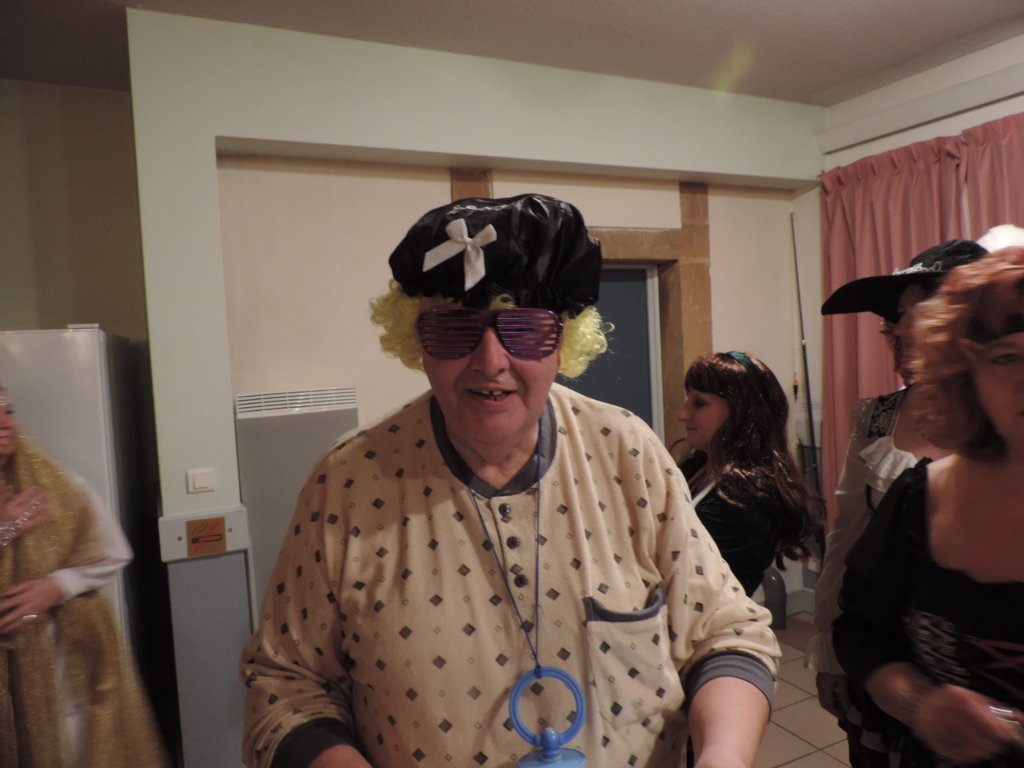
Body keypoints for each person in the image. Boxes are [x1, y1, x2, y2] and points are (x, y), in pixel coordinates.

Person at [241, 193, 780, 768]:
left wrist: (723, 757)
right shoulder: (346, 483)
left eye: (525, 332)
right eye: (455, 331)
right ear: (416, 343)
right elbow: (285, 686)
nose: (491, 361)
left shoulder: (627, 451)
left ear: (564, 344)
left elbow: (727, 631)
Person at [810, 229, 1024, 767]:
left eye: (917, 310)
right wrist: (920, 704)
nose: (902, 328)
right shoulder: (919, 495)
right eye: (1005, 357)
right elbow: (852, 570)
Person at [0, 386, 170, 767]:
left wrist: (55, 587)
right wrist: (4, 530)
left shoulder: (54, 487)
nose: (6, 425)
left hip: (63, 666)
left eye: (8, 412)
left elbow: (113, 551)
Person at [676, 352, 821, 596]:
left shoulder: (743, 496)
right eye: (687, 400)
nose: (682, 414)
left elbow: (700, 585)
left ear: (742, 412)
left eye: (698, 403)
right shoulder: (699, 469)